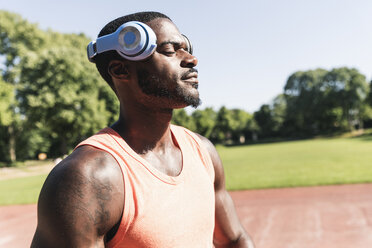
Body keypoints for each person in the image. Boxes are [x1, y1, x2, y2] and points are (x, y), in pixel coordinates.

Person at [31, 11, 255, 248]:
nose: (191, 59)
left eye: (187, 48)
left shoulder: (203, 151)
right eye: (170, 50)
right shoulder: (86, 178)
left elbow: (234, 239)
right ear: (120, 70)